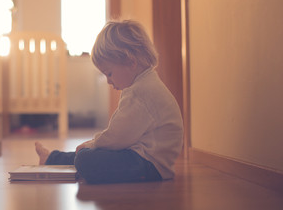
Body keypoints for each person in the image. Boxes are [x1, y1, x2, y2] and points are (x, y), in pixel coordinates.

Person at [35, 19, 183, 184]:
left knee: (85, 158)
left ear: (130, 62)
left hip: (147, 166)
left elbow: (117, 136)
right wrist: (91, 146)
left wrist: (93, 144)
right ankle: (52, 158)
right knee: (85, 152)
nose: (108, 81)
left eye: (109, 73)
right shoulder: (146, 83)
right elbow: (122, 137)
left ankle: (54, 158)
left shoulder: (139, 93)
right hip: (149, 161)